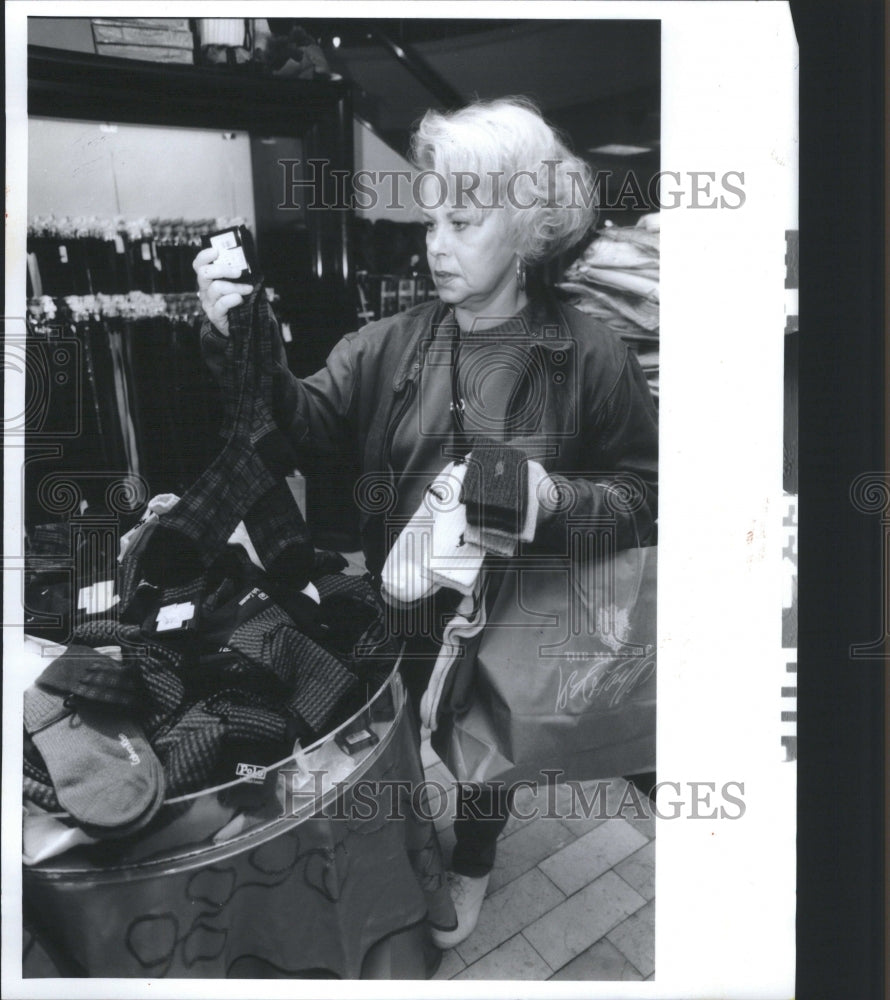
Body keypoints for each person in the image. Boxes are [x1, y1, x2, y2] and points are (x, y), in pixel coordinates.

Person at [194, 97, 658, 950]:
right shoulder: (390, 344)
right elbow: (300, 428)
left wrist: (552, 501)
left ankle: (475, 855)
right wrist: (240, 338)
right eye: (430, 218)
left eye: (462, 221)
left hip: (521, 603)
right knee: (393, 738)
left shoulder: (592, 356)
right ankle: (403, 843)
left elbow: (642, 494)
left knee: (491, 748)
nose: (434, 242)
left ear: (526, 229)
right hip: (402, 598)